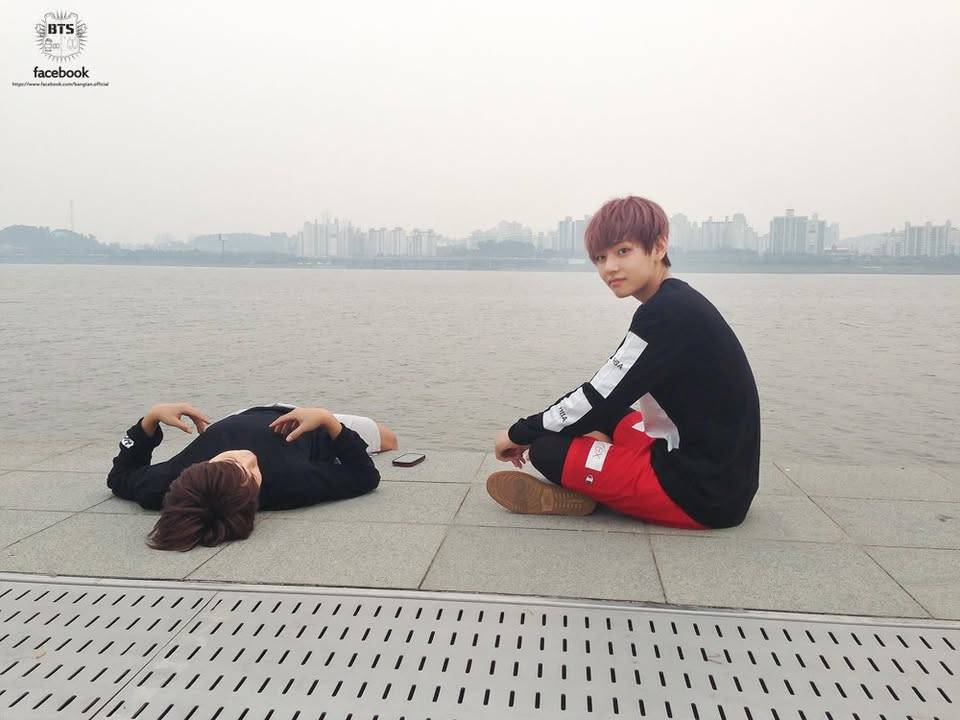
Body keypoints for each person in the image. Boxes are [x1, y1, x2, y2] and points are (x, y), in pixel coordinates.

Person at [489, 196, 760, 529]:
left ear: (658, 246)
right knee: (605, 417)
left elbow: (598, 395)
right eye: (600, 258)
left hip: (698, 494)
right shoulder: (677, 300)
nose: (609, 268)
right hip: (722, 478)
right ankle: (597, 467)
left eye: (623, 251)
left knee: (545, 448)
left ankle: (594, 478)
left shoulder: (665, 314)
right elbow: (608, 396)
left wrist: (517, 433)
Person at [107, 402, 399, 551]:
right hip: (307, 422)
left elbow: (120, 475)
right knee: (388, 439)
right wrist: (328, 422)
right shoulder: (293, 482)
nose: (249, 457)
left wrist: (149, 420)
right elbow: (364, 475)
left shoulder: (169, 484)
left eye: (229, 461)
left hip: (245, 413)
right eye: (252, 473)